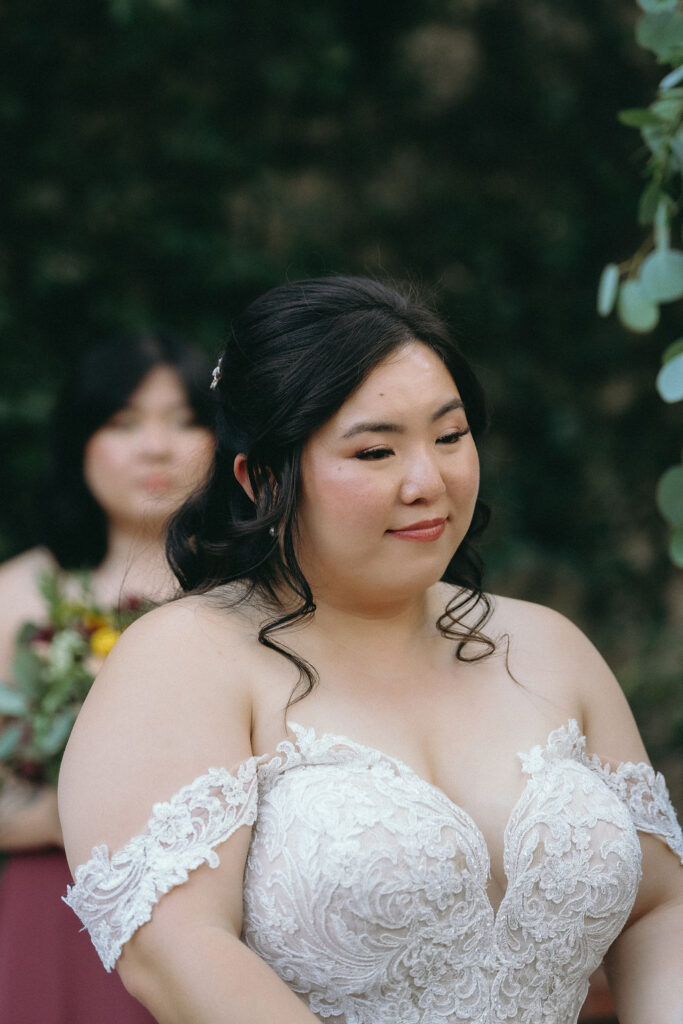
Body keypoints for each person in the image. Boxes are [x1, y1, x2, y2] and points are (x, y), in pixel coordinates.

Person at [59, 278, 683, 1024]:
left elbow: (658, 907)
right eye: (376, 450)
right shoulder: (184, 659)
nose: (428, 481)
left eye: (449, 437)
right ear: (260, 477)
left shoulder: (547, 645)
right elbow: (178, 952)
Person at [0, 332, 215, 1023]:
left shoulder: (257, 598)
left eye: (186, 422)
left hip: (218, 904)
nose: (157, 449)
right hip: (53, 908)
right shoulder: (20, 594)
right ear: (80, 439)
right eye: (124, 423)